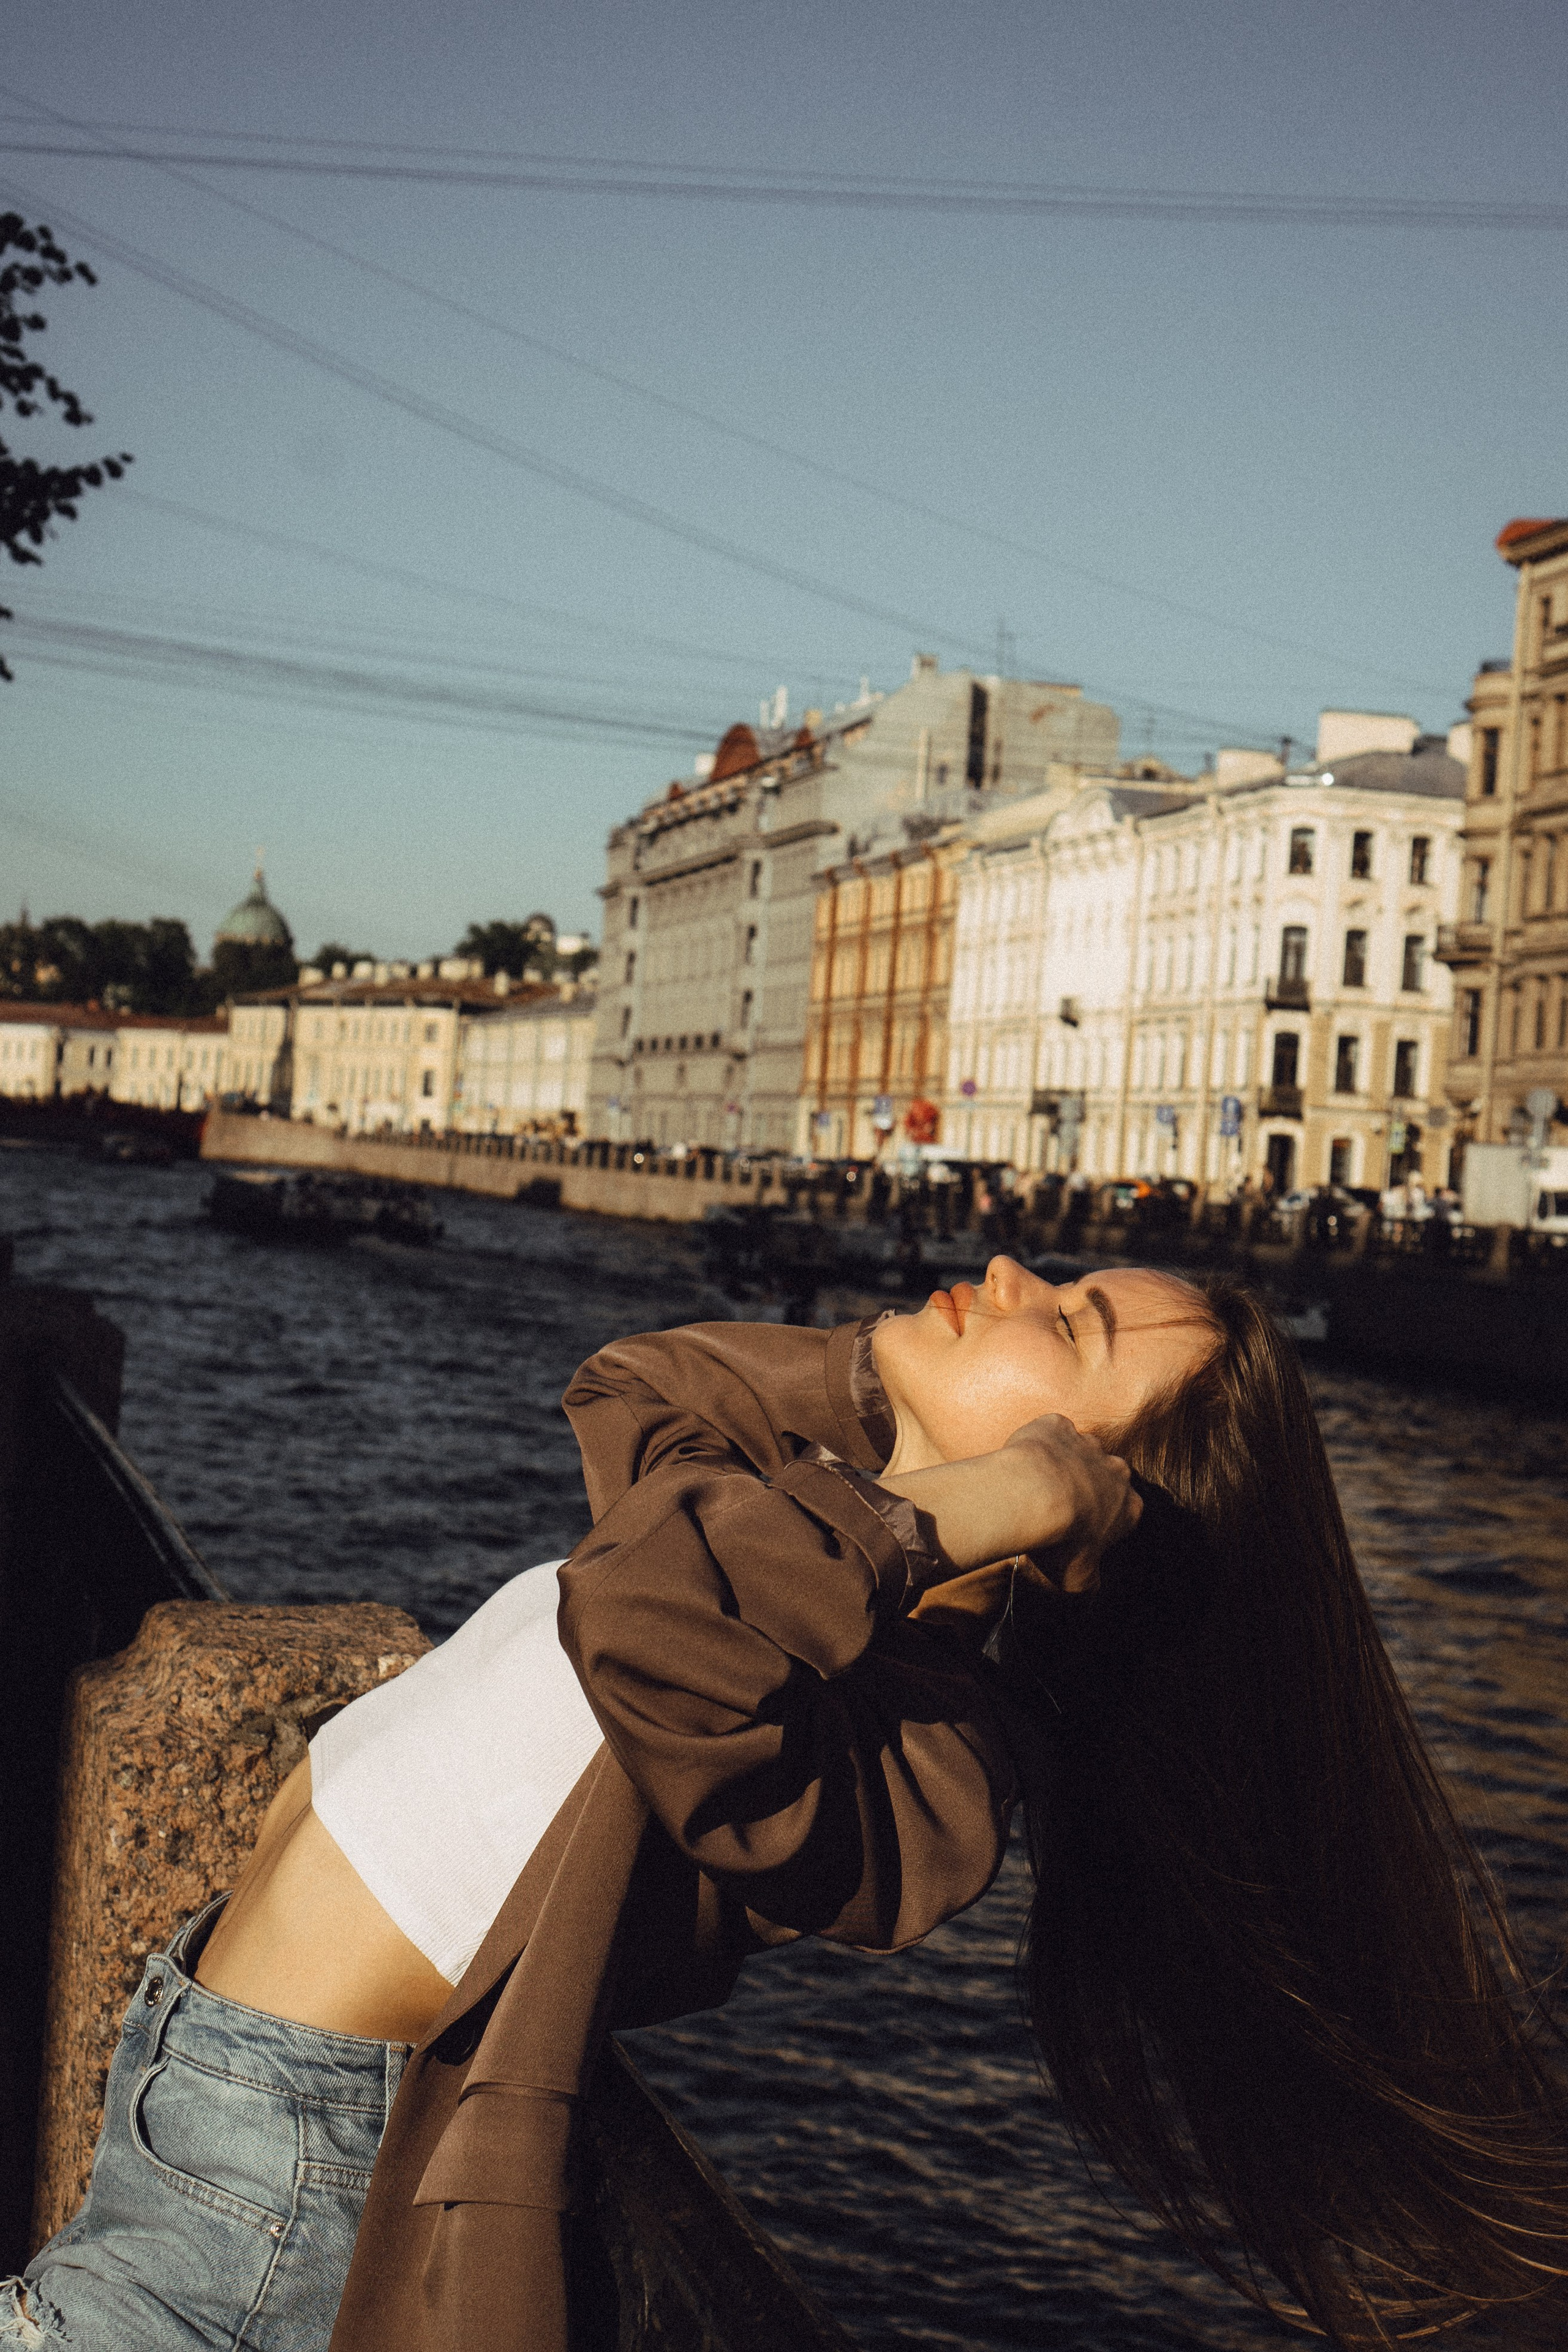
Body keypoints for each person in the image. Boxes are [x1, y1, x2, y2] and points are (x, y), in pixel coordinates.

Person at [5, 1262, 1566, 2352]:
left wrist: (995, 1503)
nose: (1005, 1271)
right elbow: (638, 1385)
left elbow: (648, 1624)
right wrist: (893, 1409)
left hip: (278, 2200)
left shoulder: (921, 1754)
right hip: (201, 2091)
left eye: (1069, 1322)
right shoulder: (784, 1536)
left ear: (1082, 1494)